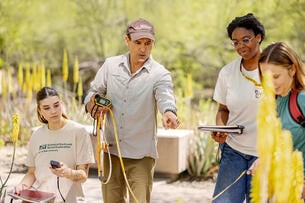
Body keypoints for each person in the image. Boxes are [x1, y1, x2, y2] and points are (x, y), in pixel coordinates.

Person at [84, 18, 179, 203]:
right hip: (111, 152)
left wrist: (169, 112)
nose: (143, 49)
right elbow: (93, 93)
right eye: (137, 43)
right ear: (127, 40)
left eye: (148, 43)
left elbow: (165, 96)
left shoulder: (160, 74)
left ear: (153, 43)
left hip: (141, 155)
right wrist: (92, 104)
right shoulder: (110, 66)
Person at [211, 13, 265, 202]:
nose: (240, 46)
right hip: (233, 151)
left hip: (264, 154)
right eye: (235, 42)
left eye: (245, 39)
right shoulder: (227, 72)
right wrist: (220, 129)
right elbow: (223, 109)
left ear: (258, 37)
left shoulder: (275, 70)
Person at [14, 86, 95, 202]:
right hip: (41, 200)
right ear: (40, 111)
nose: (53, 111)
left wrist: (67, 172)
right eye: (46, 108)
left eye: (56, 105)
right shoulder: (37, 135)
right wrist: (22, 186)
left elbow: (83, 176)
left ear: (61, 104)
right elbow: (31, 173)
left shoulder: (79, 132)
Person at [258, 41, 305, 198]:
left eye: (276, 76)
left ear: (292, 69)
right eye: (265, 78)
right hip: (281, 189)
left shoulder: (302, 100)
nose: (270, 84)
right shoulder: (274, 103)